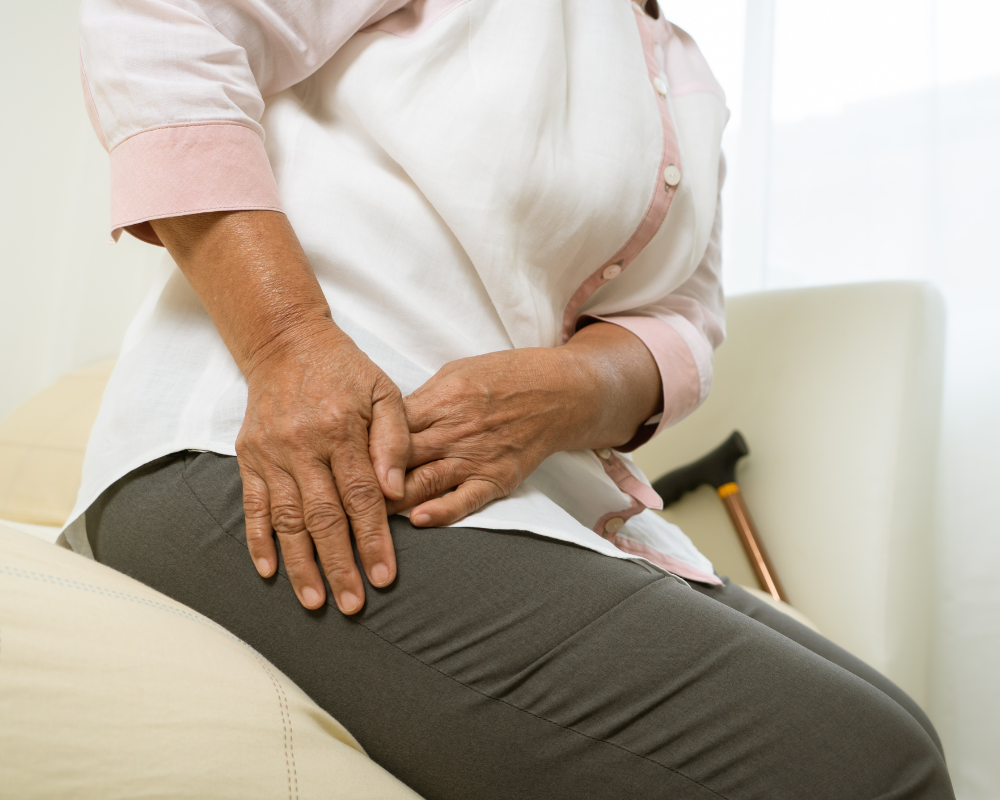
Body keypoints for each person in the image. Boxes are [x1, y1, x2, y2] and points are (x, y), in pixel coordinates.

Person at [72, 0, 954, 797]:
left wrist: (564, 393)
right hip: (261, 460)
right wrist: (289, 343)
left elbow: (683, 319)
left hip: (522, 497)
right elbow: (159, 20)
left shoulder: (689, 80)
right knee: (874, 768)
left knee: (905, 730)